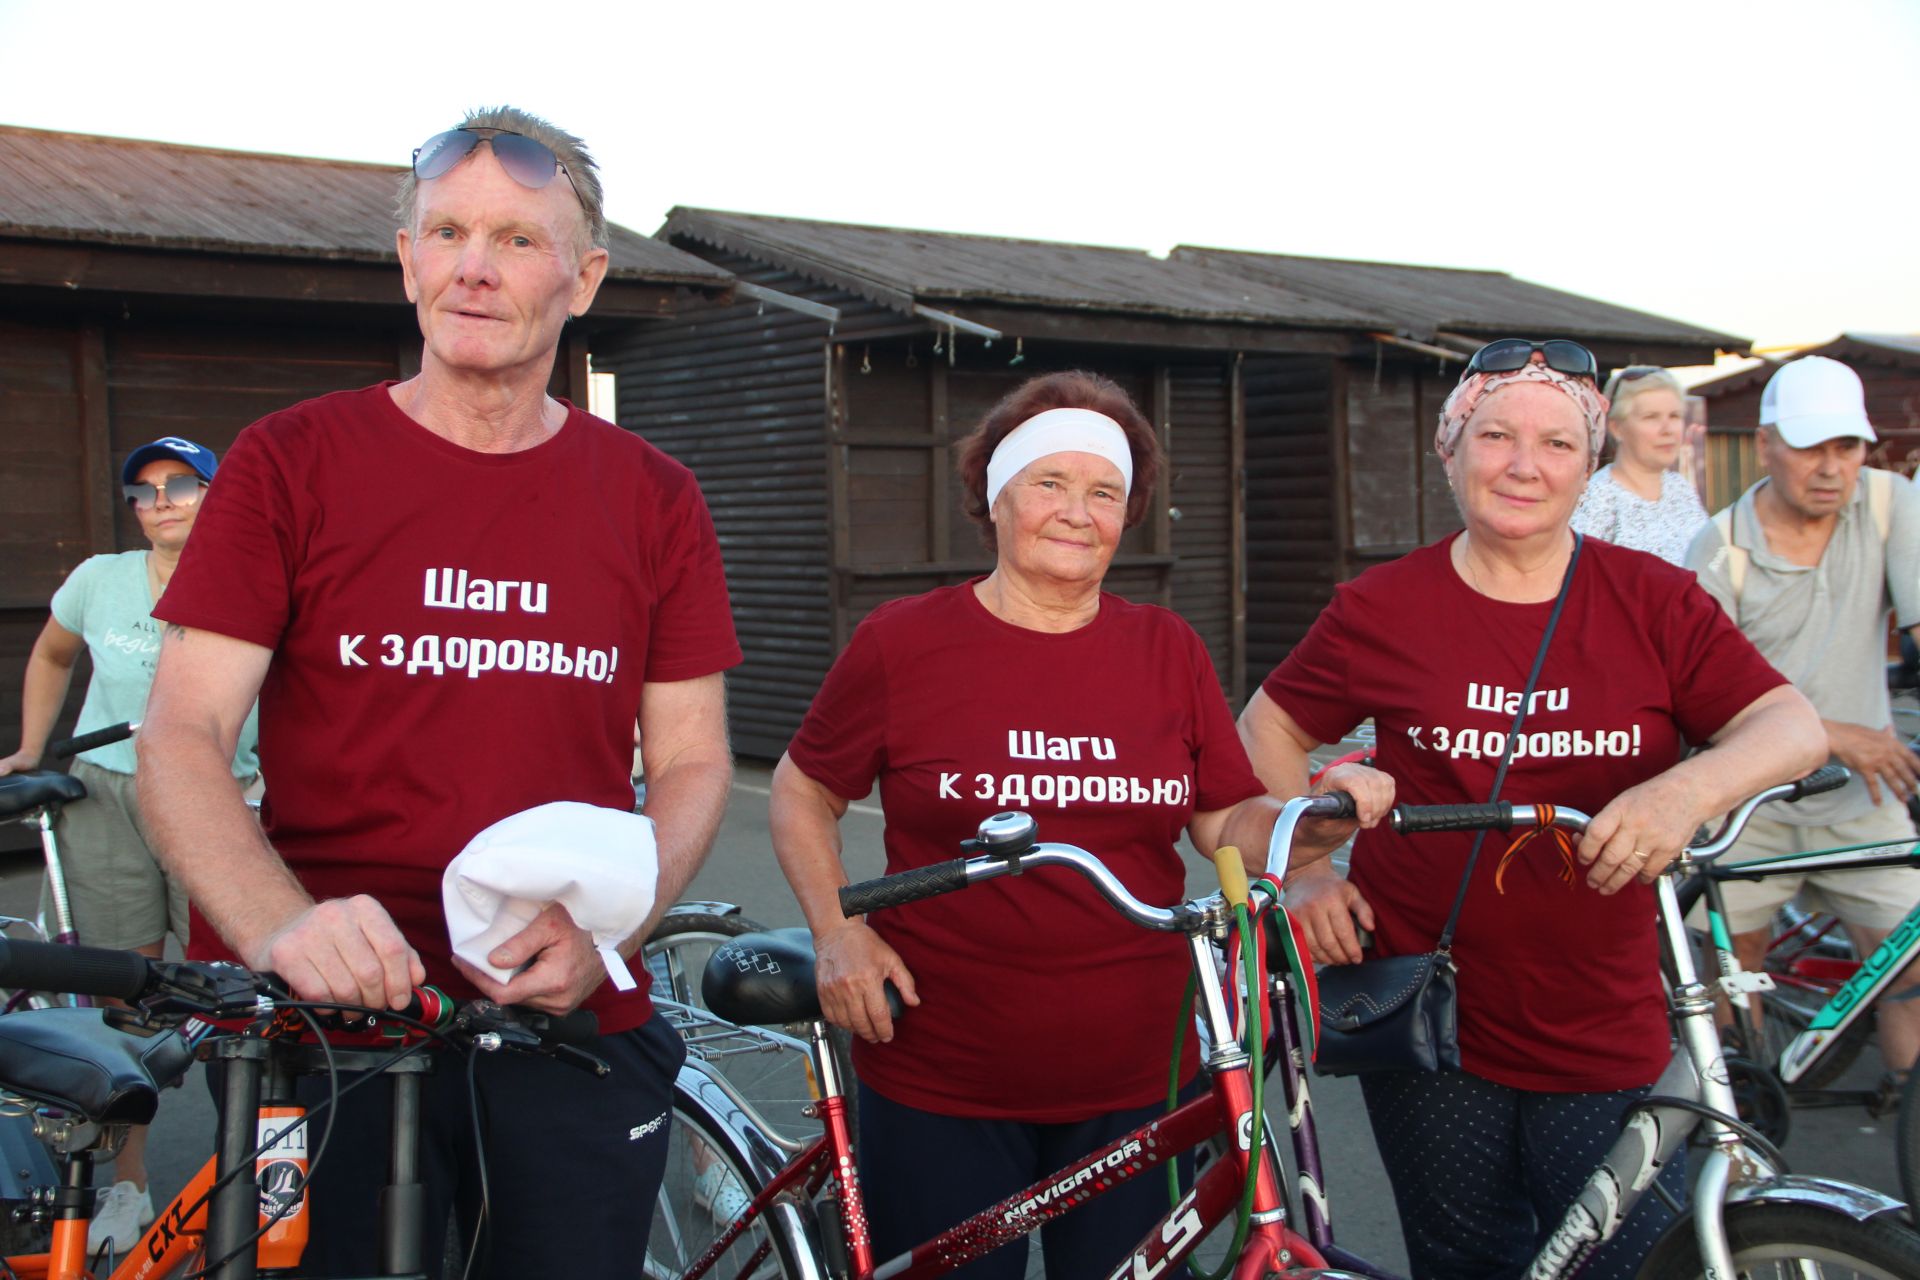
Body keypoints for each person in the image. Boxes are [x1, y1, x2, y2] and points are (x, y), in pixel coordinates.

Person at [134, 107, 739, 1275]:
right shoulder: (289, 460)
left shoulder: (654, 495)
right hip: (324, 1016)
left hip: (561, 1005)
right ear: (407, 257)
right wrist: (281, 924)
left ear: (585, 276)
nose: (474, 264)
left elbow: (694, 759)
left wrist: (617, 918)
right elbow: (184, 733)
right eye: (447, 230)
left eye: (517, 238)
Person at [768, 370, 1389, 1279]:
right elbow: (800, 788)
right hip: (944, 1073)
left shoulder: (1165, 648)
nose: (1076, 512)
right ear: (996, 496)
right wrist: (838, 932)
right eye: (1048, 484)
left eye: (1103, 491)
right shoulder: (904, 642)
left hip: (1143, 1074)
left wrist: (1316, 822)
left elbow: (1224, 819)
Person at [1237, 338, 1825, 1280]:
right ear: (1451, 450)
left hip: (1604, 1017)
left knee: (1626, 1260)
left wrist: (1688, 787)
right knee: (1466, 1259)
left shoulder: (1654, 600)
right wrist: (1308, 870)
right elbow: (1264, 727)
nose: (1523, 464)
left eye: (1556, 443)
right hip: (1429, 1020)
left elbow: (1789, 725)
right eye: (1495, 435)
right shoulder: (1383, 605)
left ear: (1589, 464)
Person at [0, 436, 259, 1252]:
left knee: (237, 994)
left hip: (223, 792)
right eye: (143, 492)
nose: (161, 502)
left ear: (218, 491)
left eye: (181, 484)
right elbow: (51, 653)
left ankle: (249, 1176)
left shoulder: (255, 572)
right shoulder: (97, 579)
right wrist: (32, 749)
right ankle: (128, 1185)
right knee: (123, 990)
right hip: (109, 791)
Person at [1685, 354, 1920, 1097]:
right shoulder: (1719, 548)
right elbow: (1704, 702)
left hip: (1863, 798)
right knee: (1735, 966)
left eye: (1846, 447)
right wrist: (1836, 735)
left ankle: (1905, 1102)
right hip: (1753, 798)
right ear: (1765, 445)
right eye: (1811, 446)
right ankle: (1741, 1116)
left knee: (1909, 957)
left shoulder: (1887, 504)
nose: (1831, 467)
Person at [1569, 365, 1709, 563]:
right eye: (1651, 417)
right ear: (1616, 428)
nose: (1667, 429)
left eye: (1674, 416)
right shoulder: (1596, 499)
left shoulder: (1680, 488)